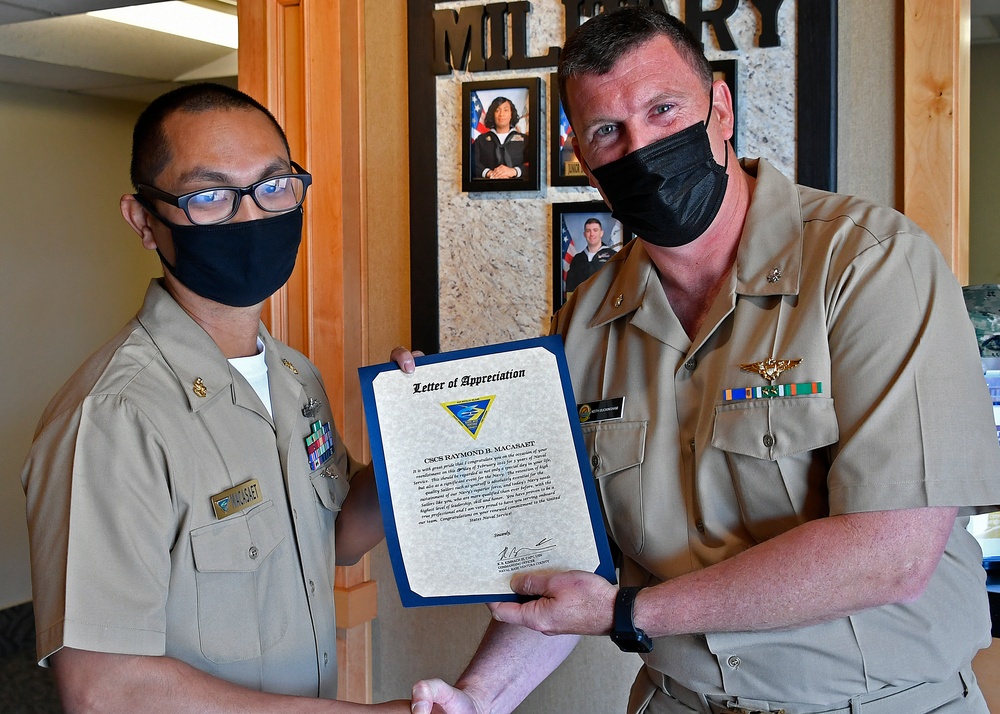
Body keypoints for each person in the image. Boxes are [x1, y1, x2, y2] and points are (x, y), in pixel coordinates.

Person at [409, 7, 1000, 714]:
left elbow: (892, 553)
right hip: (678, 701)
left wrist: (633, 613)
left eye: (664, 110)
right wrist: (480, 696)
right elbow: (574, 567)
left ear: (720, 109)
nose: (642, 147)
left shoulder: (869, 263)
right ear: (585, 161)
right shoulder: (584, 325)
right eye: (608, 131)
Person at [20, 83, 409, 713]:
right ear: (144, 220)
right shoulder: (116, 419)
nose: (252, 217)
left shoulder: (294, 378)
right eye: (209, 197)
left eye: (274, 186)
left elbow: (332, 536)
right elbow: (104, 692)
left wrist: (413, 440)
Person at [472, 96, 529, 180]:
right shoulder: (481, 140)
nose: (501, 114)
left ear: (511, 114)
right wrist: (489, 173)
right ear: (493, 114)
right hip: (488, 187)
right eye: (497, 110)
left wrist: (514, 171)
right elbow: (472, 163)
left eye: (506, 110)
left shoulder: (525, 140)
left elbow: (535, 165)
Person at [564, 217, 617, 293]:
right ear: (584, 234)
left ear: (601, 233)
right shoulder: (577, 259)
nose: (592, 234)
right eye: (588, 231)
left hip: (604, 301)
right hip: (582, 302)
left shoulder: (613, 256)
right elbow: (570, 287)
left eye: (595, 230)